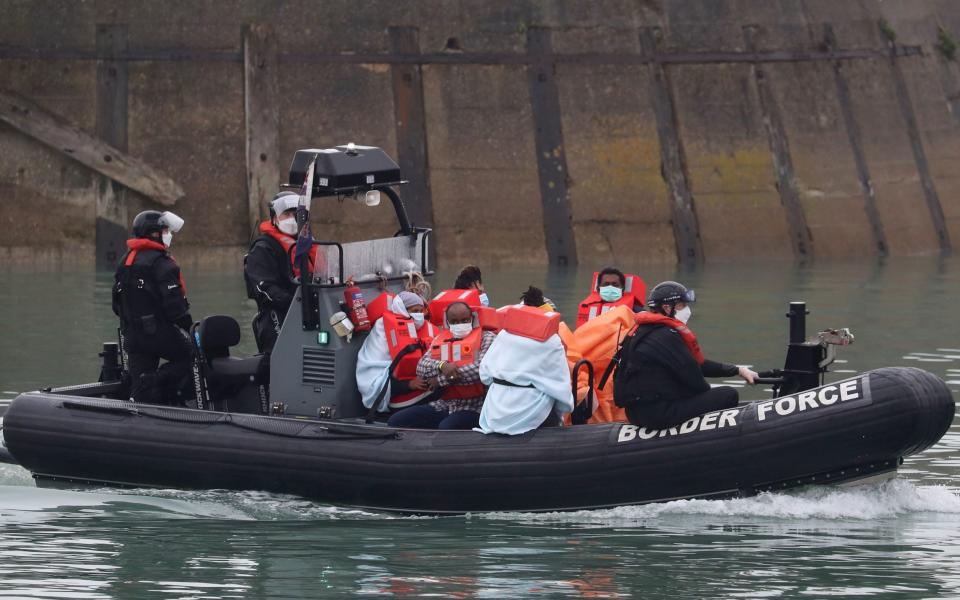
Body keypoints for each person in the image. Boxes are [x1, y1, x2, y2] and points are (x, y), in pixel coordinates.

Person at [613, 281, 758, 429]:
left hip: (634, 413)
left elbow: (698, 364)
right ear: (667, 308)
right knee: (728, 395)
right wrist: (707, 399)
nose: (687, 310)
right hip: (658, 415)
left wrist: (737, 370)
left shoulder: (642, 331)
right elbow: (696, 382)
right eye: (682, 305)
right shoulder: (666, 336)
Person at [112, 210, 194, 405]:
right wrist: (191, 327)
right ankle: (156, 382)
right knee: (193, 359)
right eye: (165, 230)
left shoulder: (125, 261)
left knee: (140, 391)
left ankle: (144, 408)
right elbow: (175, 308)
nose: (169, 234)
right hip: (158, 333)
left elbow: (116, 305)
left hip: (131, 335)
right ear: (154, 233)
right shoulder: (162, 263)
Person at [388, 301, 496, 429]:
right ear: (448, 322)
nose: (460, 324)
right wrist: (442, 365)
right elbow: (421, 367)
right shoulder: (441, 339)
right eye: (454, 322)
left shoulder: (487, 337)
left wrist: (439, 380)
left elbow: (479, 370)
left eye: (464, 320)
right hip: (446, 403)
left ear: (472, 319)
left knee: (446, 427)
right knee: (396, 420)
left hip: (476, 406)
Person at [476, 294, 574, 435]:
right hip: (533, 413)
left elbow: (485, 375)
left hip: (494, 412)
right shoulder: (552, 341)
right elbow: (561, 388)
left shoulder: (504, 335)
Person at [244, 191, 321, 353]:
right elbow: (264, 288)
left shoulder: (308, 244)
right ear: (274, 218)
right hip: (277, 314)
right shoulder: (263, 248)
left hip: (312, 310)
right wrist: (296, 301)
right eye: (286, 214)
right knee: (281, 358)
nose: (292, 218)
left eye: (296, 214)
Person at [357, 291, 440, 413]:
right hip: (391, 395)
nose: (418, 315)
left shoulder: (423, 327)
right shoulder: (382, 330)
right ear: (402, 309)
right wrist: (409, 384)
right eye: (414, 311)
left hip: (419, 384)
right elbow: (375, 382)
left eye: (420, 311)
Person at [575, 267, 646, 328]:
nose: (610, 287)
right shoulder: (587, 307)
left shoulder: (635, 310)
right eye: (606, 284)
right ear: (598, 288)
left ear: (622, 289)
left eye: (615, 285)